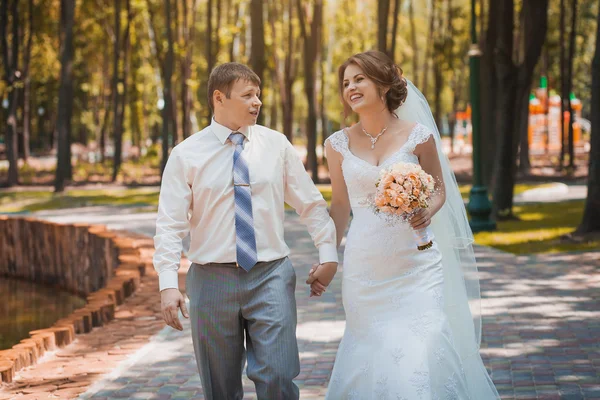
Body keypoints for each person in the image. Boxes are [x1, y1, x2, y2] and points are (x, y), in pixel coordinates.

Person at [308, 50, 500, 399]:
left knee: (422, 345)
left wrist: (428, 209)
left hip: (417, 262)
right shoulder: (336, 145)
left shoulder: (419, 136)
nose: (351, 87)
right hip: (366, 268)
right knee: (370, 349)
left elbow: (439, 189)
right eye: (346, 82)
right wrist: (327, 258)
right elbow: (338, 206)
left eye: (359, 79)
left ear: (382, 85)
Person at [153, 62, 338, 400]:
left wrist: (328, 254)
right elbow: (169, 225)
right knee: (219, 387)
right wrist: (168, 284)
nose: (257, 103)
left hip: (270, 276)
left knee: (278, 377)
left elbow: (311, 204)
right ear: (219, 98)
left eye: (259, 95)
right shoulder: (185, 155)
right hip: (209, 281)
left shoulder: (276, 145)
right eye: (248, 95)